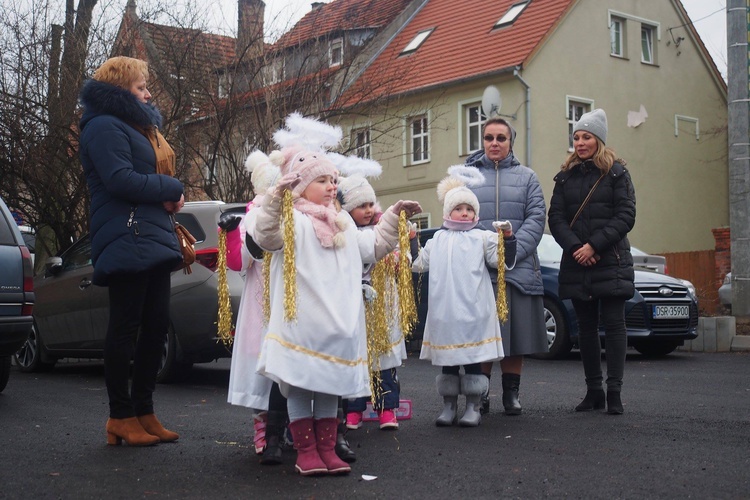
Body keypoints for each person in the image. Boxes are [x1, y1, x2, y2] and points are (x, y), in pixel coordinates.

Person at [245, 119, 421, 476]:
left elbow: (372, 247)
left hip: (336, 323)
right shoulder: (291, 220)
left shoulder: (343, 223)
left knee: (328, 386)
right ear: (302, 185)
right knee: (299, 384)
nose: (331, 187)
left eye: (333, 181)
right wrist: (277, 199)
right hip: (302, 323)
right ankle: (306, 450)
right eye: (322, 180)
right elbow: (264, 237)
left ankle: (327, 448)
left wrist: (392, 217)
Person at [78, 56, 185, 446]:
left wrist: (165, 198)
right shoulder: (103, 125)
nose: (148, 92)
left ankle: (144, 411)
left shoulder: (132, 126)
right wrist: (171, 189)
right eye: (141, 86)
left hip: (148, 233)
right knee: (125, 327)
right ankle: (120, 416)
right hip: (126, 234)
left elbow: (138, 178)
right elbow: (120, 180)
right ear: (121, 88)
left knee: (155, 325)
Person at [547, 108, 636, 415]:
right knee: (584, 329)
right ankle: (593, 391)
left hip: (610, 260)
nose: (580, 142)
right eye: (576, 137)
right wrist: (576, 249)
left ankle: (614, 393)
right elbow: (555, 217)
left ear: (599, 140)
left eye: (586, 136)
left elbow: (626, 215)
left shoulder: (617, 174)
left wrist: (594, 246)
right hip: (577, 261)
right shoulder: (565, 176)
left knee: (614, 326)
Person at [412, 168, 516, 427]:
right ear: (448, 212)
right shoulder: (437, 239)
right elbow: (417, 264)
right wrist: (411, 240)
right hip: (445, 313)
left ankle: (473, 405)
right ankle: (449, 405)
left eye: (470, 209)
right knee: (448, 362)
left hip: (473, 311)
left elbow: (502, 262)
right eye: (459, 209)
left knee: (471, 360)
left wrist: (507, 238)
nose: (465, 213)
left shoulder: (482, 238)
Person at [465, 117, 547, 416]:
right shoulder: (468, 178)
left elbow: (537, 219)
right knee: (485, 337)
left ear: (511, 142)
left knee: (516, 338)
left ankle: (511, 395)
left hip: (519, 269)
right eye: (489, 138)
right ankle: (481, 393)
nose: (495, 143)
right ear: (483, 141)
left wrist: (510, 253)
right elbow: (461, 219)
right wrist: (487, 255)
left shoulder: (528, 177)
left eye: (501, 138)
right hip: (481, 271)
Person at [220, 150, 287, 465]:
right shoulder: (252, 218)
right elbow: (238, 263)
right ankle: (265, 429)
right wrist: (234, 233)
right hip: (261, 306)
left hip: (292, 303)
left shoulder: (299, 214)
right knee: (263, 371)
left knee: (291, 368)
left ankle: (291, 426)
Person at [338, 173, 408, 432]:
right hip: (355, 308)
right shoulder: (343, 234)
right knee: (357, 359)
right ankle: (354, 409)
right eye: (361, 206)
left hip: (381, 307)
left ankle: (387, 409)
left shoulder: (382, 231)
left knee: (383, 360)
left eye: (370, 205)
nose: (368, 211)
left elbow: (398, 259)